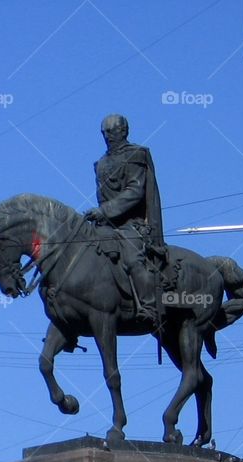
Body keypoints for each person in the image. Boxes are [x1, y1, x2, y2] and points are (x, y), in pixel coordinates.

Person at [85, 114, 166, 324]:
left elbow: (135, 191)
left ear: (124, 131)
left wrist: (104, 211)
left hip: (132, 225)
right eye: (104, 132)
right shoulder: (101, 163)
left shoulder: (135, 154)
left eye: (112, 131)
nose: (108, 136)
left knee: (133, 259)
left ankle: (148, 306)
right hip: (106, 226)